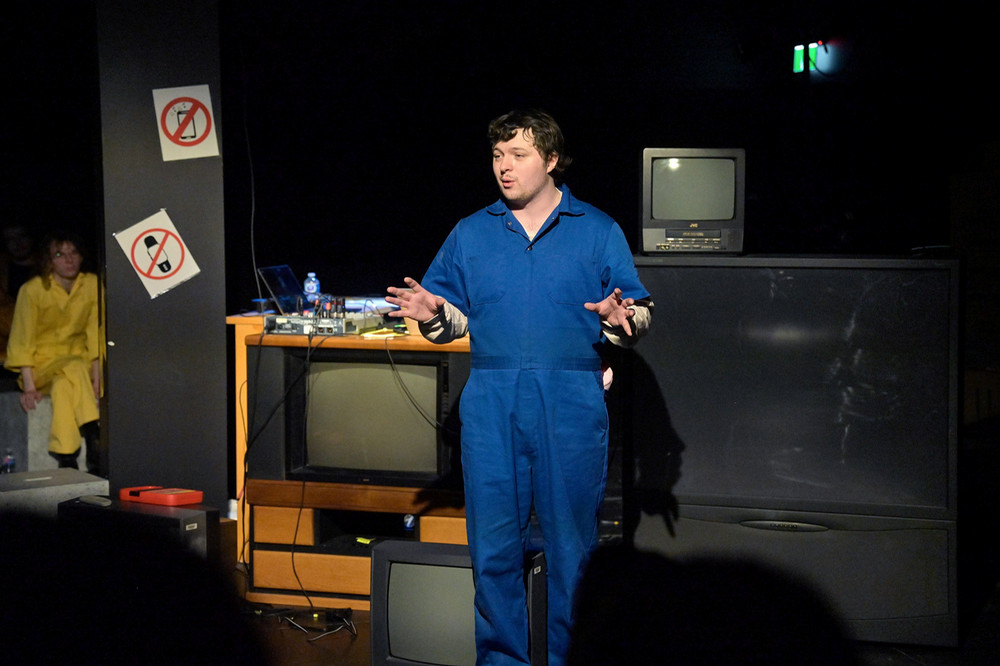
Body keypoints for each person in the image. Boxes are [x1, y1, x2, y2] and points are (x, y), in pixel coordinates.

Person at [387, 109, 652, 666]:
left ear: (551, 159)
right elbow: (451, 322)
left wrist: (617, 317)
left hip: (570, 404)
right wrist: (432, 314)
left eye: (519, 155)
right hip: (493, 404)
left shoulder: (597, 229)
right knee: (494, 554)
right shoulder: (471, 231)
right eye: (497, 156)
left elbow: (638, 315)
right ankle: (502, 660)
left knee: (573, 554)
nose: (504, 168)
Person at [4, 229, 103, 475]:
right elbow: (22, 338)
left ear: (82, 256)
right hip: (41, 368)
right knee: (72, 367)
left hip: (77, 371)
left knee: (63, 385)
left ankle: (67, 457)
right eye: (60, 254)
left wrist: (97, 382)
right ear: (49, 260)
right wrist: (29, 387)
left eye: (74, 253)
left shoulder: (91, 284)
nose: (68, 260)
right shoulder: (34, 289)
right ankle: (94, 436)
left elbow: (96, 336)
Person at [0, 223, 37, 363]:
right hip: (7, 342)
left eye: (21, 236)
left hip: (39, 340)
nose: (17, 243)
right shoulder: (2, 266)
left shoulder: (49, 267)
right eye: (11, 239)